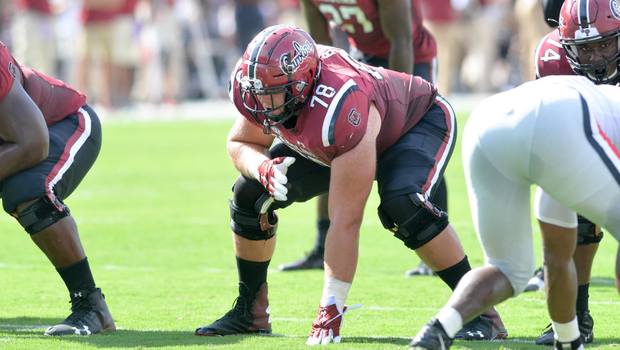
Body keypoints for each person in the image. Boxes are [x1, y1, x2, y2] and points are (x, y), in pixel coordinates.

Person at [194, 24, 507, 343]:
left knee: (402, 203)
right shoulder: (266, 86)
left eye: (271, 94)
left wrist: (331, 308)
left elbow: (345, 221)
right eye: (257, 93)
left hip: (414, 123)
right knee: (250, 192)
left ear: (302, 84)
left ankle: (483, 312)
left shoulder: (340, 104)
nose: (261, 104)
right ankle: (251, 313)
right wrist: (261, 167)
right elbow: (240, 140)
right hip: (341, 138)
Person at [409, 74, 620, 350]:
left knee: (508, 270)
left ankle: (436, 331)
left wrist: (569, 340)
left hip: (489, 119)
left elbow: (557, 256)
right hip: (561, 122)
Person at [281, 0, 448, 279]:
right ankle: (322, 245)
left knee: (416, 148)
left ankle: (434, 243)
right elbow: (318, 49)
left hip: (409, 58)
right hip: (363, 58)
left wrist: (400, 108)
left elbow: (402, 40)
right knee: (332, 140)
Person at [0, 41, 114, 335]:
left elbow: (33, 143)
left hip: (63, 123)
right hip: (17, 138)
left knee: (27, 192)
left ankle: (90, 304)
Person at [527, 0, 619, 344]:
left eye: (605, 44)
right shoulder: (552, 57)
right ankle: (576, 316)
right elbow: (559, 134)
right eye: (585, 49)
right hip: (589, 131)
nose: (596, 57)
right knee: (573, 204)